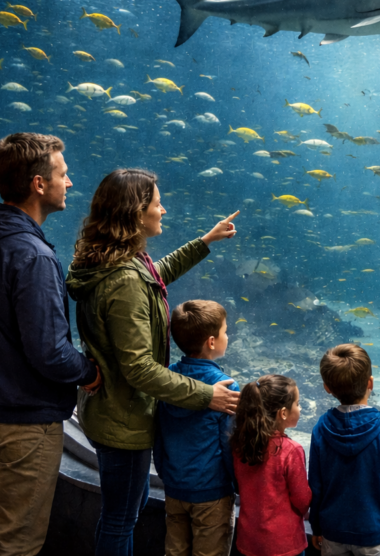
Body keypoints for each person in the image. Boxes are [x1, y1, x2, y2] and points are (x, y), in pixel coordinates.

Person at [66, 168, 241, 556]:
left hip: (110, 411)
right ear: (135, 212)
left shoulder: (116, 263)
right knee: (120, 519)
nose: (163, 210)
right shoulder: (124, 279)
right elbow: (140, 368)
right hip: (122, 421)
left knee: (126, 509)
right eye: (157, 203)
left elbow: (151, 278)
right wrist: (205, 395)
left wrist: (204, 243)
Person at [0, 132, 102, 556]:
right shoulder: (32, 254)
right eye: (63, 174)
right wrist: (89, 372)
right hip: (21, 421)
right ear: (38, 184)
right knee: (16, 539)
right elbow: (50, 351)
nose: (69, 183)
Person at [155, 300, 240, 556]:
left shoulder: (168, 378)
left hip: (174, 487)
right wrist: (235, 483)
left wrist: (166, 472)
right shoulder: (225, 387)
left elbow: (159, 432)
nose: (228, 335)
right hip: (212, 492)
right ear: (211, 342)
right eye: (225, 331)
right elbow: (229, 443)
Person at [309, 344, 380, 556]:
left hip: (332, 532)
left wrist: (316, 527)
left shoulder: (320, 429)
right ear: (370, 382)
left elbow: (315, 486)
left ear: (327, 387)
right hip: (373, 534)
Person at [230, 375, 311, 556]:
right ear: (283, 413)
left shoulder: (239, 445)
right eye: (297, 404)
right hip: (284, 545)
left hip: (249, 541)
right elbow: (302, 500)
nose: (299, 408)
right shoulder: (291, 450)